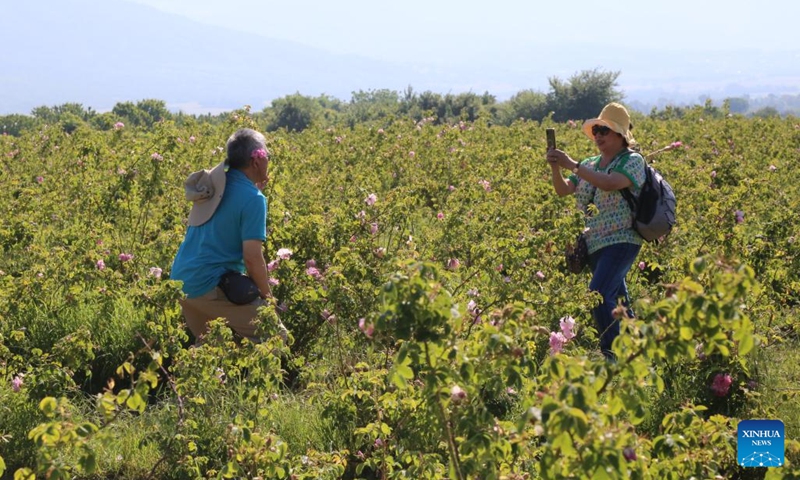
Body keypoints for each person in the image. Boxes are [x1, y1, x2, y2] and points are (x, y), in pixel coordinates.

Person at [546, 103, 646, 360]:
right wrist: (557, 166)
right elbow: (563, 190)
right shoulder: (591, 163)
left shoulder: (632, 161)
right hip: (594, 246)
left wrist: (574, 165)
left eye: (605, 130)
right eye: (597, 130)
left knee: (598, 296)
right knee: (620, 305)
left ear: (620, 135)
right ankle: (641, 359)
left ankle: (613, 360)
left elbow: (611, 183)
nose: (598, 135)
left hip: (621, 240)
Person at [171, 128, 286, 344]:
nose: (269, 161)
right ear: (256, 161)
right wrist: (268, 299)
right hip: (209, 284)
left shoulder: (214, 184)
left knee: (210, 349)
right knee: (275, 337)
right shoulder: (253, 199)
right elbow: (252, 258)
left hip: (182, 280)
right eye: (267, 156)